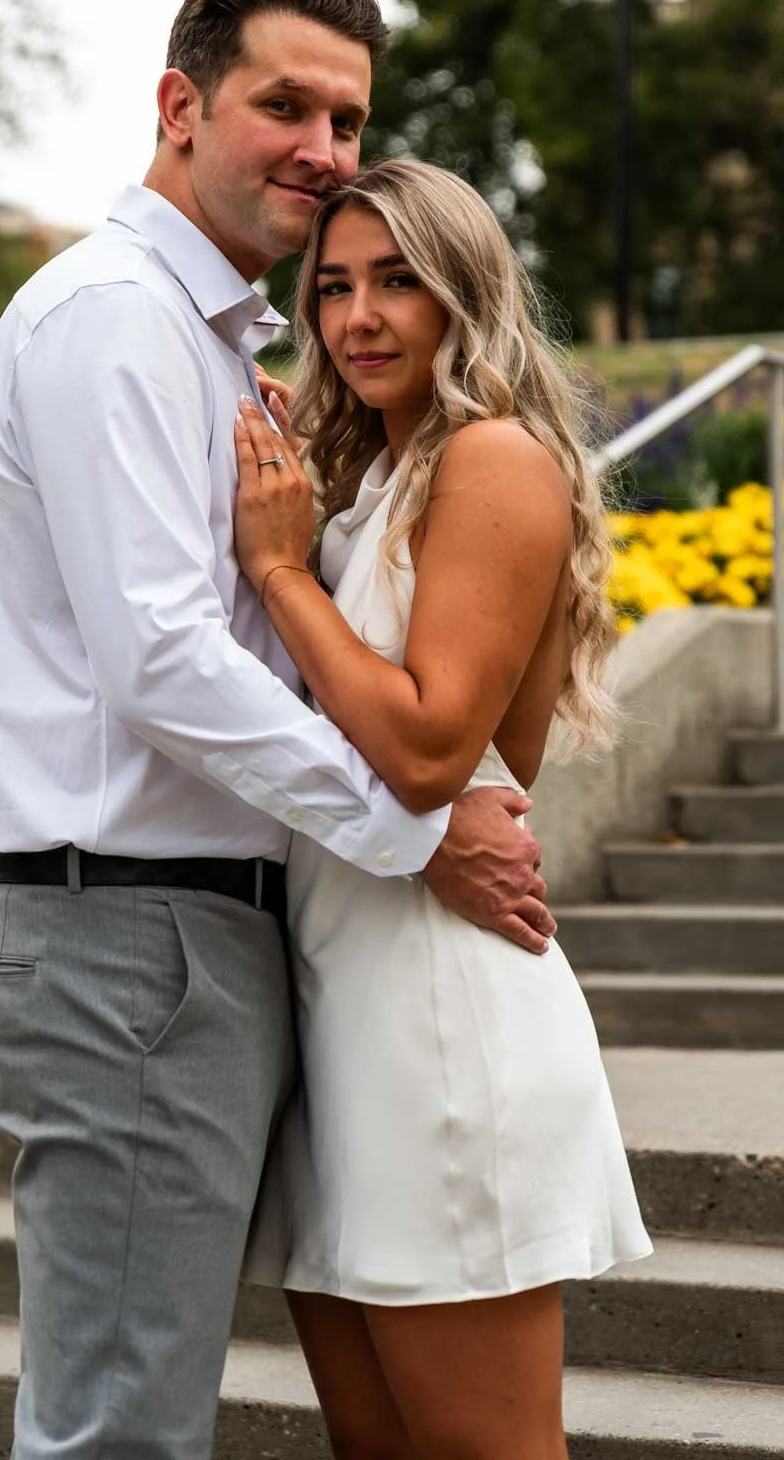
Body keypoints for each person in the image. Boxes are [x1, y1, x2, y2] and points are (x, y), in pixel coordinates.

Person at [0, 0, 557, 1460]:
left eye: (347, 117)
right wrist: (411, 836)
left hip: (227, 939)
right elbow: (162, 660)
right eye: (284, 103)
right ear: (179, 107)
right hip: (130, 937)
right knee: (119, 1432)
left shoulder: (226, 349)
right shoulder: (112, 320)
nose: (323, 147)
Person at [237, 159, 652, 1460]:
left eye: (399, 282)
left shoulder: (492, 459)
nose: (359, 316)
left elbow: (426, 752)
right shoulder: (370, 487)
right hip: (338, 1015)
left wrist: (274, 571)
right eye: (336, 286)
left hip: (440, 1026)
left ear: (465, 292)